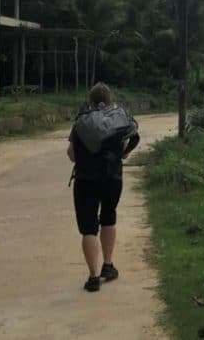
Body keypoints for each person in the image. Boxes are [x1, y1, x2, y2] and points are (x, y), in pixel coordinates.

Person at [66, 83, 140, 292]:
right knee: (108, 217)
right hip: (112, 177)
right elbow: (125, 151)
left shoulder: (82, 120)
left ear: (90, 100)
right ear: (110, 100)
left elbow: (71, 154)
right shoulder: (119, 119)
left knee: (89, 227)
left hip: (86, 180)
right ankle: (108, 265)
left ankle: (93, 277)